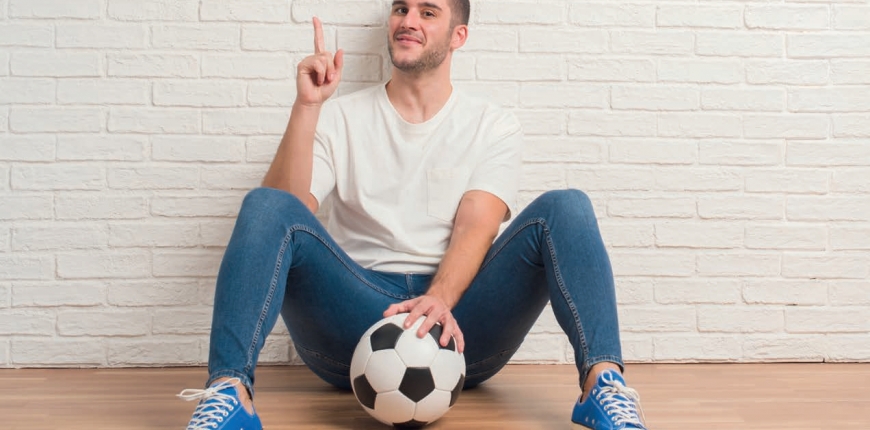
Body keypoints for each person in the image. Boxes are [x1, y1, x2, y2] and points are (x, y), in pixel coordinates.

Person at [177, 1, 647, 429]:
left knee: (567, 207)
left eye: (428, 11)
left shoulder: (492, 124)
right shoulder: (339, 117)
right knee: (264, 203)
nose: (408, 21)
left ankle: (602, 387)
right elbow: (285, 214)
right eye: (401, 9)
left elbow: (476, 225)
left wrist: (438, 299)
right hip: (356, 313)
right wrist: (306, 108)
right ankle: (230, 393)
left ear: (458, 35)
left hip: (459, 321)